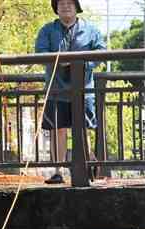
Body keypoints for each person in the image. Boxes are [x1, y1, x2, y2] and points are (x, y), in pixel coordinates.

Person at [35, 0, 106, 185]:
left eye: (69, 3)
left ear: (76, 7)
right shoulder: (47, 30)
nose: (65, 6)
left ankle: (88, 165)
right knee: (57, 130)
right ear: (56, 8)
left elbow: (101, 52)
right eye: (61, 4)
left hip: (83, 88)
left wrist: (81, 65)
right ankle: (58, 170)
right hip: (56, 89)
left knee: (83, 129)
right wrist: (59, 62)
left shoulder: (91, 30)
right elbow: (40, 53)